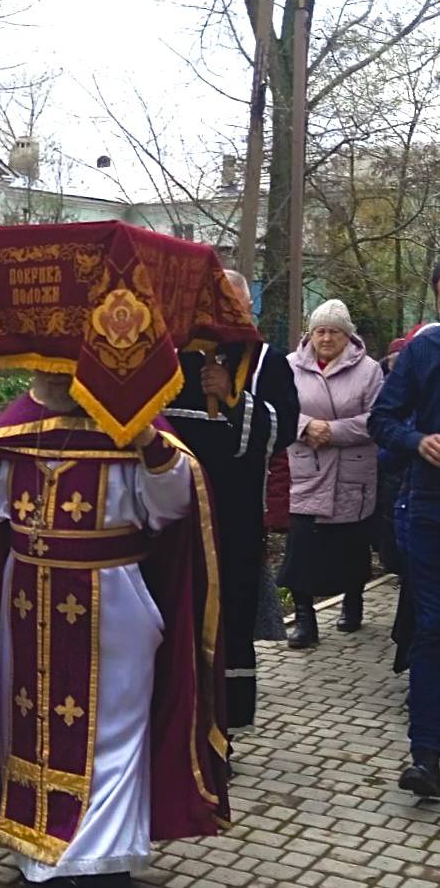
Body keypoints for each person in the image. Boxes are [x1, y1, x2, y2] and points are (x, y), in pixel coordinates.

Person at [0, 371, 229, 887]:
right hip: (25, 603)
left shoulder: (133, 424)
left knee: (113, 735)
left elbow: (172, 504)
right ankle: (38, 852)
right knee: (27, 725)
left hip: (113, 605)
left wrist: (145, 438)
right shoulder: (17, 429)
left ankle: (104, 861)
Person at [163, 270, 299, 740]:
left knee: (228, 616)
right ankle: (176, 721)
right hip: (176, 511)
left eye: (233, 306)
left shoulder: (266, 363)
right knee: (177, 610)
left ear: (247, 309)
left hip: (234, 517)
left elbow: (283, 431)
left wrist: (231, 397)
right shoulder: (174, 355)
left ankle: (223, 727)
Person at [278, 299, 383, 648]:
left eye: (334, 332)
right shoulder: (290, 366)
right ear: (310, 334)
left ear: (347, 336)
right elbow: (278, 409)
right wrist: (306, 426)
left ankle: (353, 599)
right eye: (320, 331)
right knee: (300, 548)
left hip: (352, 471)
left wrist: (333, 431)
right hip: (305, 467)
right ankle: (305, 620)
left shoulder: (368, 370)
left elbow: (378, 419)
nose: (326, 338)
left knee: (351, 545)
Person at [369, 311, 440, 796]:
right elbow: (381, 420)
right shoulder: (424, 350)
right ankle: (426, 757)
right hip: (431, 509)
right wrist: (417, 441)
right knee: (433, 628)